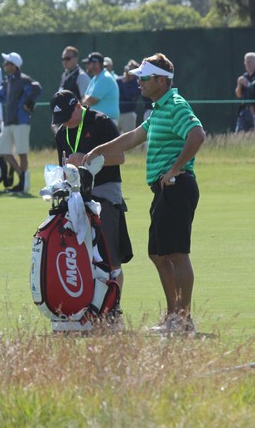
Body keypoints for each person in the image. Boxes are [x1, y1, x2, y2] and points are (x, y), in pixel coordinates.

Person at [84, 53, 205, 334]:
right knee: (158, 254)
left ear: (161, 81)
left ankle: (183, 319)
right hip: (164, 190)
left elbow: (197, 135)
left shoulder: (175, 105)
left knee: (176, 253)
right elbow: (134, 136)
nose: (139, 81)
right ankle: (174, 316)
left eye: (145, 77)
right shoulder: (158, 109)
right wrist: (100, 150)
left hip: (177, 186)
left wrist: (175, 169)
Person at [51, 89, 133, 295]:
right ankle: (87, 311)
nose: (65, 123)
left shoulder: (100, 122)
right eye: (61, 119)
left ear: (78, 106)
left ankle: (113, 311)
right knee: (81, 257)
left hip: (105, 195)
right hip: (77, 198)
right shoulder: (62, 132)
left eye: (67, 117)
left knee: (110, 261)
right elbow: (62, 167)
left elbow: (120, 157)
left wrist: (85, 158)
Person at [0, 52, 41, 193]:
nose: (4, 65)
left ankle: (23, 184)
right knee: (3, 150)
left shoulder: (23, 79)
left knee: (22, 153)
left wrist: (29, 102)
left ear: (14, 66)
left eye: (7, 63)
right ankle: (22, 176)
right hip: (9, 121)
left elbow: (37, 88)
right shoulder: (8, 81)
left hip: (21, 121)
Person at [82, 52, 120, 123]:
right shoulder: (95, 78)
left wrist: (86, 99)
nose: (86, 66)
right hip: (100, 121)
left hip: (107, 121)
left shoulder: (105, 78)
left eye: (88, 63)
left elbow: (91, 100)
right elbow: (85, 98)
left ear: (96, 64)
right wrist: (86, 99)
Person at [234, 52, 255, 133]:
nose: (247, 64)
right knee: (239, 135)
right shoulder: (244, 76)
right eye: (246, 62)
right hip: (243, 111)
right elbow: (238, 95)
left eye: (250, 61)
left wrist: (248, 84)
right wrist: (239, 84)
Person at [117, 59, 141, 133]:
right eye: (128, 66)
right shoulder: (118, 80)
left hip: (128, 114)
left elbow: (129, 96)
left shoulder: (137, 83)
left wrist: (125, 83)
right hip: (117, 114)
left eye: (131, 67)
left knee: (129, 141)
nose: (128, 69)